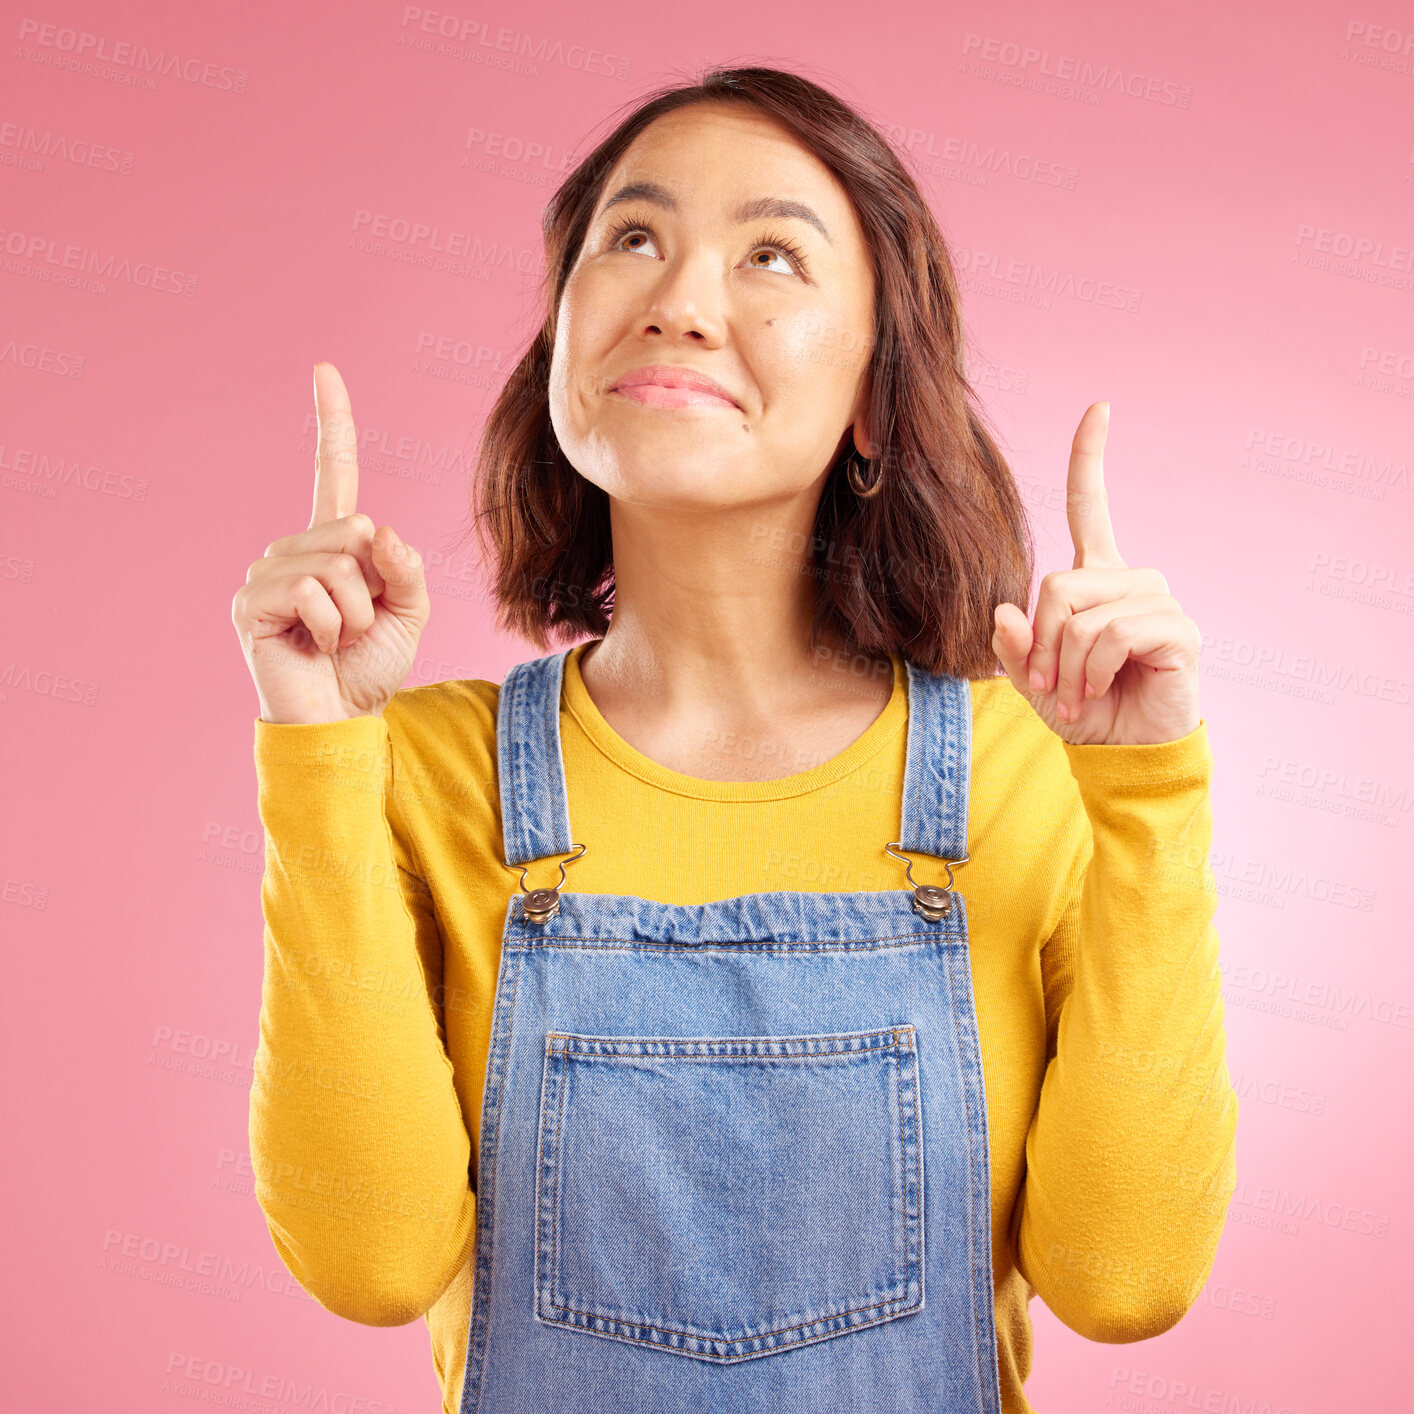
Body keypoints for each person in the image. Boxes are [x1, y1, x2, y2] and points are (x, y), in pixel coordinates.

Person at [232, 64, 1237, 1414]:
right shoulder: (416, 768)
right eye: (632, 238)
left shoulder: (1030, 771)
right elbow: (371, 1259)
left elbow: (1121, 1280)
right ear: (562, 355)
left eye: (770, 254)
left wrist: (1147, 789)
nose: (680, 300)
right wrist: (315, 751)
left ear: (875, 400)